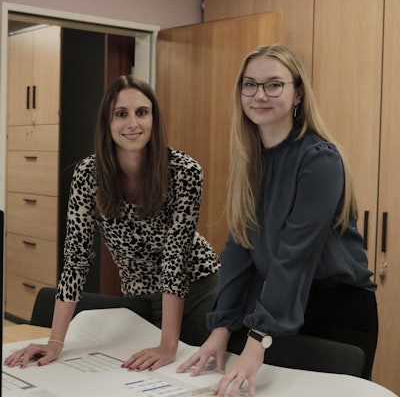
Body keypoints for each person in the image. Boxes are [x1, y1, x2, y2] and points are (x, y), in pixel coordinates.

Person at [177, 43, 378, 396]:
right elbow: (240, 249)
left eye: (274, 84)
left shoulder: (319, 159)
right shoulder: (251, 159)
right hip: (281, 306)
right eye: (250, 84)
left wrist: (257, 340)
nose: (260, 95)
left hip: (335, 311)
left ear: (297, 93)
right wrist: (221, 329)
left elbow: (294, 256)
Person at [4, 75, 220, 371]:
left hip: (196, 289)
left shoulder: (185, 171)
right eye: (121, 114)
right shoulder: (87, 174)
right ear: (107, 122)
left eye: (142, 112)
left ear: (154, 119)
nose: (133, 123)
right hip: (138, 295)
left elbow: (176, 258)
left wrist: (168, 345)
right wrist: (55, 342)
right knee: (138, 376)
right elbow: (76, 258)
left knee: (190, 372)